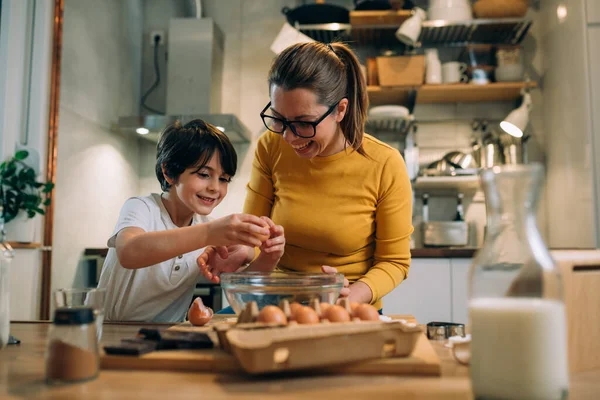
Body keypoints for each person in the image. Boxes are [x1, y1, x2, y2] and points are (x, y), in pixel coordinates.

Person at [199, 41, 413, 312]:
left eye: (303, 123)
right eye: (279, 119)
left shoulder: (385, 164)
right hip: (273, 298)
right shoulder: (271, 145)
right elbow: (256, 235)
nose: (289, 136)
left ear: (340, 110)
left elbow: (394, 262)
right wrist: (241, 251)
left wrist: (352, 296)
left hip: (345, 305)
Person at [97, 119, 285, 322]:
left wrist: (268, 256)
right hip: (108, 332)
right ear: (169, 172)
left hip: (167, 339)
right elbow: (129, 252)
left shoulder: (208, 227)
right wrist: (208, 233)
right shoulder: (142, 207)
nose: (215, 187)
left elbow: (245, 289)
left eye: (224, 179)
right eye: (204, 174)